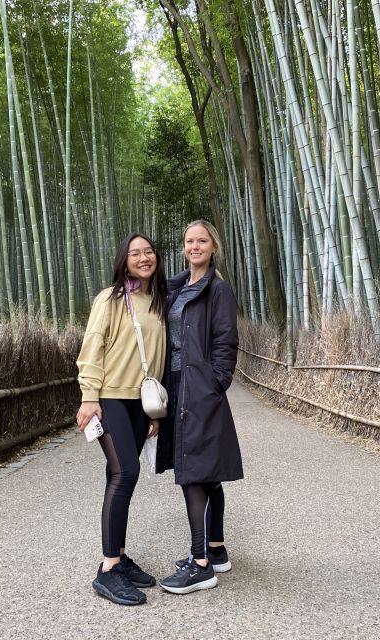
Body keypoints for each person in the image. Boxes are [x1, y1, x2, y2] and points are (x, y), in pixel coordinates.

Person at [75, 233, 167, 606]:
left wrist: (153, 410)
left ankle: (119, 554)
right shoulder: (112, 299)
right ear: (123, 260)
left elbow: (158, 357)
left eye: (148, 252)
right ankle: (109, 568)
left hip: (138, 402)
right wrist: (89, 395)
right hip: (110, 396)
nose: (143, 258)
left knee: (122, 475)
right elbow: (93, 345)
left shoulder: (159, 300)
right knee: (124, 472)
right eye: (135, 253)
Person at [156, 220, 243, 595]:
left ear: (213, 247)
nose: (195, 246)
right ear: (184, 247)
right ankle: (216, 549)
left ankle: (200, 564)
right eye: (190, 241)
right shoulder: (176, 287)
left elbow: (226, 341)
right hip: (177, 386)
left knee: (194, 472)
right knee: (206, 473)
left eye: (202, 241)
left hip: (199, 388)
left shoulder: (217, 290)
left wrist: (214, 382)